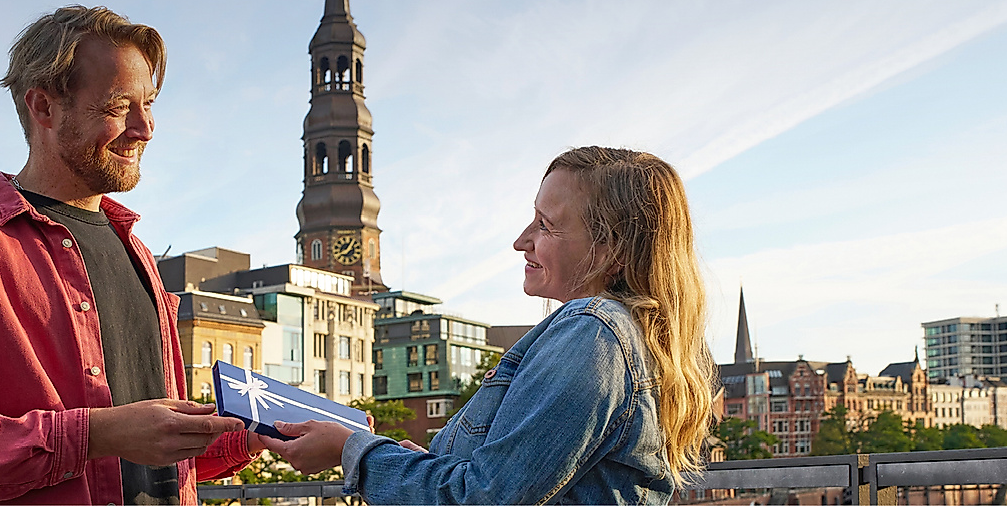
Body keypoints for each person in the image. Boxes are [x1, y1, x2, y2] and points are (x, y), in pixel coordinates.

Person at [0, 6, 255, 505]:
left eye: (149, 104)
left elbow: (146, 447)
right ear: (43, 107)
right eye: (118, 107)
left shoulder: (138, 253)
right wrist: (93, 435)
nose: (145, 128)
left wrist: (252, 436)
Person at [263, 146, 716, 504]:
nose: (521, 240)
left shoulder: (592, 335)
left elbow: (482, 497)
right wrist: (421, 464)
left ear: (609, 249)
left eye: (546, 225)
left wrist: (351, 451)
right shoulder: (630, 335)